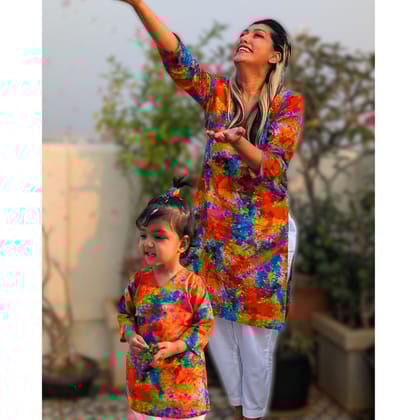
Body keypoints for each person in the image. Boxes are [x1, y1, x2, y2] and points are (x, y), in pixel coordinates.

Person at [116, 2, 304, 419]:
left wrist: (238, 142)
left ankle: (251, 414)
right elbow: (177, 57)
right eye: (245, 32)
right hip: (215, 239)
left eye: (257, 35)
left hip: (264, 242)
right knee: (215, 335)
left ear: (275, 55)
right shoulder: (218, 95)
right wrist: (138, 5)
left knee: (254, 343)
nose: (245, 37)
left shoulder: (286, 104)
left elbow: (273, 166)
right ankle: (239, 410)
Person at [117, 177, 215, 420]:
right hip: (146, 386)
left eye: (159, 237)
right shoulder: (138, 282)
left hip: (183, 387)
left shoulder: (193, 285)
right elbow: (124, 313)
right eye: (143, 235)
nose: (148, 243)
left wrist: (178, 346)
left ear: (182, 244)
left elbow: (205, 325)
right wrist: (130, 334)